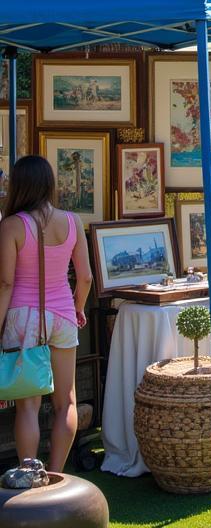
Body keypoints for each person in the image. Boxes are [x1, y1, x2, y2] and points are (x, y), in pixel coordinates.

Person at [0, 156, 91, 470]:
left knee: (28, 405)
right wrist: (78, 308)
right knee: (66, 401)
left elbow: (6, 282)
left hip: (23, 317)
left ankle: (28, 474)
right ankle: (54, 475)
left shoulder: (11, 225)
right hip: (63, 315)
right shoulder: (72, 221)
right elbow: (86, 277)